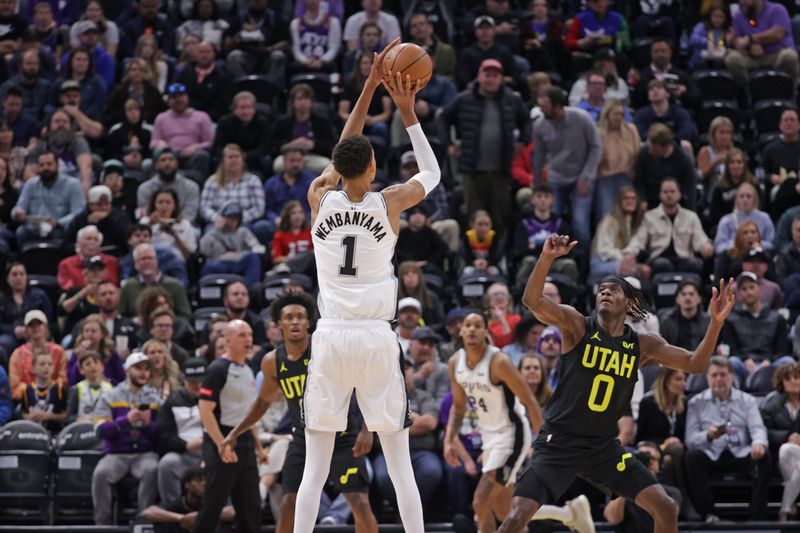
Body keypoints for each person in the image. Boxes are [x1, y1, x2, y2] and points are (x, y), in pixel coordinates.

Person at [291, 39, 438, 533]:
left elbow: (342, 150)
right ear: (372, 169)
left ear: (337, 170)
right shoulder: (389, 203)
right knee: (399, 465)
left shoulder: (319, 197)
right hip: (376, 336)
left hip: (331, 335)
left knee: (314, 468)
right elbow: (432, 173)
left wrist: (370, 86)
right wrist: (405, 111)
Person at [494, 234, 736, 533]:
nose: (605, 292)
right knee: (517, 517)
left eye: (614, 290)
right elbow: (532, 300)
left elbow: (695, 364)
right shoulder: (577, 325)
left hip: (602, 447)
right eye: (602, 290)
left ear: (629, 303)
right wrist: (546, 259)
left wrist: (715, 323)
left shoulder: (643, 345)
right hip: (559, 442)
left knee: (666, 507)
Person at [220, 293, 377, 533]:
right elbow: (262, 403)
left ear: (308, 322)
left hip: (343, 436)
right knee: (289, 504)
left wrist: (367, 429)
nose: (295, 321)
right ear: (278, 323)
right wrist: (235, 432)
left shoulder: (328, 350)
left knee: (358, 501)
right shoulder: (272, 361)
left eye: (300, 317)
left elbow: (365, 386)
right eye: (289, 317)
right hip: (304, 438)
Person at [444, 311, 563, 533]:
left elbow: (529, 400)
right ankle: (568, 514)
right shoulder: (455, 363)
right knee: (503, 511)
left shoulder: (498, 361)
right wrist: (449, 440)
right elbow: (458, 408)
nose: (471, 329)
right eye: (467, 325)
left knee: (481, 501)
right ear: (460, 331)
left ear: (486, 331)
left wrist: (543, 440)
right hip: (490, 437)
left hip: (512, 435)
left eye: (477, 325)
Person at [438, 58, 530, 238]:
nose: (491, 79)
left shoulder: (512, 99)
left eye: (495, 76)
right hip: (472, 169)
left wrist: (523, 142)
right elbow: (442, 117)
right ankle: (474, 258)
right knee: (474, 216)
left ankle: (499, 258)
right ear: (479, 76)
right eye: (487, 75)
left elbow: (526, 120)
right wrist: (448, 143)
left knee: (500, 216)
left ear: (501, 78)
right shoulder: (464, 99)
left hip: (500, 169)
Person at [194, 320, 263, 532]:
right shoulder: (217, 369)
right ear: (227, 340)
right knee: (213, 505)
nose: (248, 339)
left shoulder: (249, 369)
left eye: (250, 334)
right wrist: (221, 444)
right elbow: (205, 411)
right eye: (242, 335)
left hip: (245, 442)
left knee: (250, 506)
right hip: (223, 440)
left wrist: (259, 447)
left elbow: (247, 413)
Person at [684, 356, 771, 521]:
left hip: (741, 452)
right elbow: (690, 439)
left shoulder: (748, 400)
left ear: (731, 377)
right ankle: (709, 514)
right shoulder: (696, 403)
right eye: (714, 375)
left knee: (764, 456)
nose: (718, 379)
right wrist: (707, 436)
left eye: (723, 375)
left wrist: (758, 444)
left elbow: (758, 428)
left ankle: (756, 518)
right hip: (711, 453)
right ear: (707, 378)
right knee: (691, 457)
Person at [92, 352, 161, 525]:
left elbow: (163, 435)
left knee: (152, 469)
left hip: (145, 453)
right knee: (101, 473)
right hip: (117, 453)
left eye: (146, 369)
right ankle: (102, 525)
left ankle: (144, 522)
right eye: (138, 368)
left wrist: (149, 425)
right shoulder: (110, 396)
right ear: (127, 371)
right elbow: (100, 431)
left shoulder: (155, 399)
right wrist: (126, 421)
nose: (143, 373)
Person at [532, 86, 601, 253]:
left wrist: (586, 176)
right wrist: (536, 184)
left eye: (546, 106)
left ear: (557, 106)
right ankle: (553, 261)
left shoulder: (581, 118)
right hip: (556, 177)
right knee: (552, 221)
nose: (541, 108)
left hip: (581, 176)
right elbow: (539, 156)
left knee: (580, 223)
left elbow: (596, 147)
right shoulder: (541, 125)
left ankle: (581, 264)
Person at [622, 177, 713, 276]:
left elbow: (700, 238)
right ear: (660, 195)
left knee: (696, 264)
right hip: (659, 259)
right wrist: (629, 253)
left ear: (679, 194)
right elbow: (639, 240)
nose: (669, 195)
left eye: (672, 191)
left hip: (684, 259)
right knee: (662, 265)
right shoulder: (649, 217)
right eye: (665, 192)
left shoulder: (691, 217)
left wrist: (705, 247)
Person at [722, 271, 791, 382]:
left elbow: (782, 350)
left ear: (759, 290)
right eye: (744, 289)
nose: (748, 292)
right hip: (743, 364)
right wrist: (746, 360)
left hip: (771, 363)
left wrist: (768, 361)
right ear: (739, 294)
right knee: (732, 362)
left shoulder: (777, 318)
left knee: (788, 361)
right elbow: (732, 350)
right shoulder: (731, 319)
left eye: (751, 287)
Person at [156, 357, 206, 508]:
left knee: (228, 464)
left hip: (212, 452)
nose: (198, 385)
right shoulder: (173, 401)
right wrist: (186, 445)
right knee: (167, 464)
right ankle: (174, 511)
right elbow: (164, 436)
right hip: (184, 453)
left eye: (201, 381)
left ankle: (226, 515)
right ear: (184, 380)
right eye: (193, 382)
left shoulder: (218, 399)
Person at [12, 149, 86, 247]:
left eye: (49, 164)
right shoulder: (31, 184)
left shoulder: (73, 184)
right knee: (21, 232)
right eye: (41, 165)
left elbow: (78, 212)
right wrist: (18, 213)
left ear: (57, 165)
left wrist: (58, 222)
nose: (45, 168)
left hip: (60, 227)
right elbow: (19, 207)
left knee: (64, 236)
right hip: (35, 227)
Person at [725, 0, 799, 85]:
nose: (742, 2)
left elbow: (778, 33)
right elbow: (737, 40)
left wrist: (751, 39)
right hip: (751, 57)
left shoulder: (777, 9)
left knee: (789, 56)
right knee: (732, 59)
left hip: (776, 54)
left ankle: (791, 93)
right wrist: (746, 46)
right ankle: (748, 92)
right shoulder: (739, 15)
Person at [143, 468, 234, 533]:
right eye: (199, 479)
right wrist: (182, 519)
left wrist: (199, 517)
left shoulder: (213, 502)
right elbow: (148, 512)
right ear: (186, 484)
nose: (204, 483)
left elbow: (233, 512)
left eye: (207, 480)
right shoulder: (176, 504)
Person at [198, 202, 264, 286]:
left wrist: (238, 254)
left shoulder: (243, 232)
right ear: (223, 218)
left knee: (253, 258)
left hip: (238, 262)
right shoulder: (212, 232)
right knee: (207, 267)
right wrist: (215, 229)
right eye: (229, 217)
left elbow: (257, 248)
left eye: (235, 218)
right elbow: (203, 251)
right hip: (219, 263)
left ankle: (249, 289)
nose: (232, 221)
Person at [590, 187, 649, 281]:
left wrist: (629, 255)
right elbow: (604, 250)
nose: (630, 201)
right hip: (602, 262)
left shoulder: (639, 222)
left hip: (626, 261)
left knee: (645, 270)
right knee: (626, 269)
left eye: (633, 198)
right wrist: (623, 259)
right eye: (626, 198)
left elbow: (638, 243)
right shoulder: (609, 220)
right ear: (619, 202)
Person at [596, 99, 640, 224]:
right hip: (605, 178)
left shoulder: (631, 130)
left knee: (627, 214)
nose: (619, 117)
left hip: (626, 177)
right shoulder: (598, 133)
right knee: (606, 215)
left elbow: (637, 154)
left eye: (622, 114)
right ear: (607, 115)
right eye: (616, 114)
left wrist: (633, 169)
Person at [119, 243, 192, 318]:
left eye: (150, 258)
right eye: (143, 259)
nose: (147, 262)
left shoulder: (174, 285)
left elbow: (185, 316)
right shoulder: (128, 286)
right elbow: (121, 316)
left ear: (156, 261)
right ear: (135, 264)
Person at [8, 310, 67, 401]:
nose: (35, 328)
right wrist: (33, 392)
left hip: (55, 399)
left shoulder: (58, 351)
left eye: (39, 324)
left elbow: (64, 380)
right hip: (26, 400)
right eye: (31, 325)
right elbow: (14, 387)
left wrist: (48, 391)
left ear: (46, 327)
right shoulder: (17, 354)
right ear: (26, 329)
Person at [0, 262, 54, 358]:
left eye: (22, 274)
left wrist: (30, 329)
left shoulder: (40, 295)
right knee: (3, 344)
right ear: (7, 278)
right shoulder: (2, 299)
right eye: (14, 274)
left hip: (37, 332)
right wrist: (14, 330)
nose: (18, 277)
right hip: (12, 335)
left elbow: (49, 318)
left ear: (26, 276)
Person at [212, 92, 271, 173]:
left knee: (266, 160)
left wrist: (245, 156)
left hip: (252, 159)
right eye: (242, 108)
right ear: (235, 110)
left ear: (254, 109)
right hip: (229, 158)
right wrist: (232, 156)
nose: (246, 112)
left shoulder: (262, 122)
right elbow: (218, 146)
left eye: (249, 107)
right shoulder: (224, 122)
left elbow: (264, 147)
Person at [714, 183, 775, 254]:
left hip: (758, 255)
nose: (745, 199)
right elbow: (719, 246)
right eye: (741, 196)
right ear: (736, 199)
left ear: (755, 199)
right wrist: (736, 246)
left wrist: (760, 245)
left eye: (748, 196)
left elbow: (772, 243)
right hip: (734, 257)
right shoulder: (726, 220)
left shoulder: (764, 218)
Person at [57, 225, 120, 290]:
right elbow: (68, 290)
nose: (92, 242)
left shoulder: (112, 262)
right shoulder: (66, 265)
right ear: (78, 244)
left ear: (100, 245)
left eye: (96, 240)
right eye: (88, 239)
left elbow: (116, 288)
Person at [142, 189, 197, 263]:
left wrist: (174, 235)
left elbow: (190, 255)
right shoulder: (145, 221)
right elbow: (137, 245)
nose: (164, 206)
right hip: (151, 260)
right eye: (160, 202)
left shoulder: (184, 224)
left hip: (176, 262)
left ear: (174, 205)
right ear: (154, 204)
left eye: (168, 202)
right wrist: (150, 224)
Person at [22, 351, 67, 433]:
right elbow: (23, 413)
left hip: (55, 433)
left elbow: (67, 416)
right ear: (33, 368)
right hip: (32, 434)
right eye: (42, 364)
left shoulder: (60, 388)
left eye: (50, 364)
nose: (46, 367)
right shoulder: (27, 390)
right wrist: (29, 417)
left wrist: (48, 416)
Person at [709, 148, 757, 224]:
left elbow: (759, 207)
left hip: (751, 224)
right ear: (727, 166)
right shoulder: (719, 187)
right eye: (732, 162)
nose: (736, 165)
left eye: (739, 162)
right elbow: (714, 214)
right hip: (727, 225)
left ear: (744, 165)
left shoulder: (753, 184)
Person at [659, 281, 711, 350]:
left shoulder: (708, 321)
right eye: (683, 294)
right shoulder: (667, 321)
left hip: (703, 359)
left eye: (691, 294)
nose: (687, 297)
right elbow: (662, 349)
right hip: (674, 359)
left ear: (699, 299)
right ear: (677, 299)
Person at [65, 350, 111, 424]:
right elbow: (69, 417)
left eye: (96, 362)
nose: (92, 366)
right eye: (88, 364)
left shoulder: (111, 389)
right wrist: (79, 420)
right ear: (81, 370)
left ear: (102, 367)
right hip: (83, 430)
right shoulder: (76, 389)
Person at [696, 116, 735, 189]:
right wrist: (716, 163)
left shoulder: (735, 153)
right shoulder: (705, 151)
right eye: (721, 132)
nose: (725, 136)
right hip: (711, 188)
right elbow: (701, 176)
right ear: (713, 134)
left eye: (728, 133)